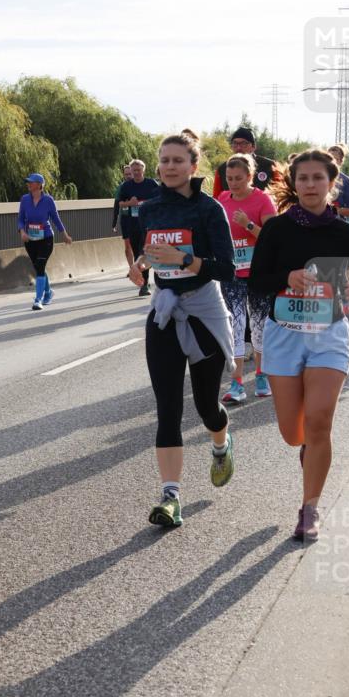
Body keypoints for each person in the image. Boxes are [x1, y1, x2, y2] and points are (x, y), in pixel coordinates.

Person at [249, 149, 349, 542]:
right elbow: (256, 280)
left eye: (317, 178)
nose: (309, 185)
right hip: (284, 335)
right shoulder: (276, 229)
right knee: (294, 433)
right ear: (294, 183)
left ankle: (310, 509)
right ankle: (309, 450)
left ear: (331, 183)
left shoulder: (345, 232)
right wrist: (286, 275)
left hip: (329, 334)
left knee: (320, 420)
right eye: (302, 178)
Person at [129, 131, 236, 529]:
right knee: (168, 408)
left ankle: (221, 445)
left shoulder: (210, 210)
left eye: (178, 160)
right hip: (164, 312)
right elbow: (152, 250)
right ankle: (171, 496)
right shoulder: (150, 208)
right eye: (164, 160)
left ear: (194, 166)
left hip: (204, 311)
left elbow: (226, 269)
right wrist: (140, 264)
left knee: (207, 406)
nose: (170, 167)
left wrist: (184, 259)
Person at [217, 153, 277, 402]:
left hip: (259, 273)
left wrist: (248, 224)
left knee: (260, 327)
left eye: (238, 178)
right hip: (233, 273)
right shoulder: (222, 199)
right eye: (229, 178)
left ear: (250, 176)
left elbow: (273, 238)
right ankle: (237, 383)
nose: (233, 183)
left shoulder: (262, 200)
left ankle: (261, 376)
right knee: (237, 325)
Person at [18, 173, 72, 310]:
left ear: (39, 185)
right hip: (30, 239)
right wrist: (22, 231)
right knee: (38, 267)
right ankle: (48, 292)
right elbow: (20, 219)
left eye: (31, 182)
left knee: (40, 264)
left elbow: (56, 219)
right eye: (28, 182)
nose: (28, 184)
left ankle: (38, 299)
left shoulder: (48, 200)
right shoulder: (24, 199)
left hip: (46, 238)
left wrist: (64, 235)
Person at [117, 159, 160, 297]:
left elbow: (161, 200)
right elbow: (120, 204)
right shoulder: (126, 186)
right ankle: (144, 283)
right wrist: (130, 203)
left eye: (138, 170)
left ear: (143, 170)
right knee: (138, 254)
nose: (136, 173)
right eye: (133, 170)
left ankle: (148, 282)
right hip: (133, 225)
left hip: (149, 225)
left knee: (146, 252)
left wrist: (148, 204)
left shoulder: (151, 184)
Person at [213, 127, 278, 198]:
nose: (238, 148)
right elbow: (216, 199)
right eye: (235, 143)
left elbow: (281, 195)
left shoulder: (270, 166)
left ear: (253, 146)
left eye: (243, 143)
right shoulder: (222, 169)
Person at [327, 144, 349, 221]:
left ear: (341, 161)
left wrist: (334, 210)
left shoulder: (346, 180)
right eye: (330, 158)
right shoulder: (318, 177)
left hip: (338, 223)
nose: (333, 162)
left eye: (336, 159)